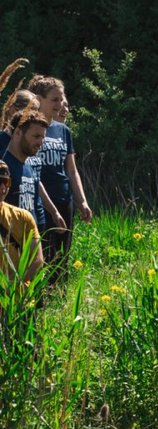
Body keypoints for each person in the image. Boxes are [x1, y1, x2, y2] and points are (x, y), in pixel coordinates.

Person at [25, 77, 91, 264]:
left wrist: (82, 201)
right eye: (54, 100)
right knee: (43, 256)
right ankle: (44, 293)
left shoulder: (63, 130)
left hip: (64, 199)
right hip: (40, 202)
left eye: (61, 100)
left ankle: (61, 293)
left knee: (63, 256)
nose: (60, 105)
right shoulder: (29, 129)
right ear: (39, 99)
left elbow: (71, 170)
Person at [1, 113, 61, 242]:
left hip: (29, 244)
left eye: (43, 137)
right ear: (17, 133)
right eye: (36, 136)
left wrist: (54, 213)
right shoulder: (4, 166)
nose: (41, 142)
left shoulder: (29, 165)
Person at [0, 161, 43, 287]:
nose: (3, 188)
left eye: (6, 182)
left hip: (17, 300)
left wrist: (12, 285)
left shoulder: (23, 217)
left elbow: (38, 260)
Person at [0, 90, 38, 159]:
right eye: (30, 115)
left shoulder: (32, 144)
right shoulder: (2, 143)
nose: (34, 119)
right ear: (13, 110)